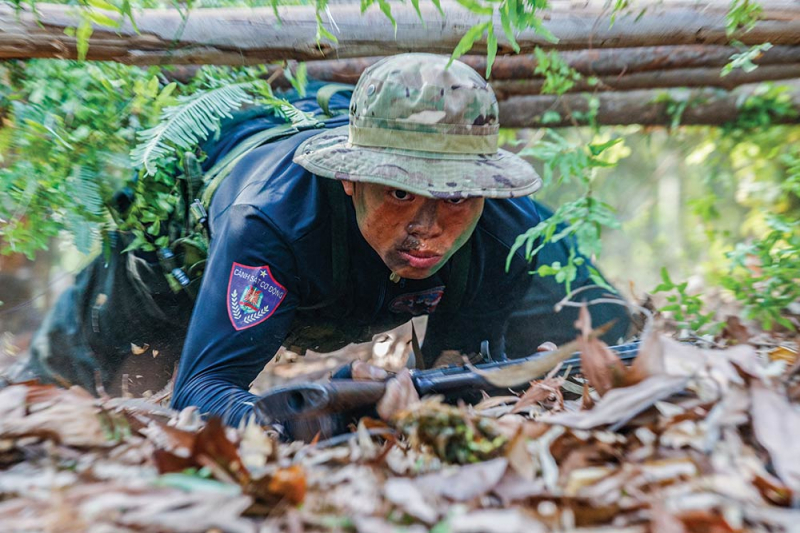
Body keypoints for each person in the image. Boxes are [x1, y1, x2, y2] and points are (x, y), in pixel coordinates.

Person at [20, 54, 630, 425]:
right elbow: (202, 389)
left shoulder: (506, 224)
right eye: (399, 193)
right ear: (348, 180)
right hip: (177, 261)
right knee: (61, 397)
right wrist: (294, 419)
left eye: (453, 196)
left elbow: (615, 344)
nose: (428, 227)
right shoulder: (270, 219)